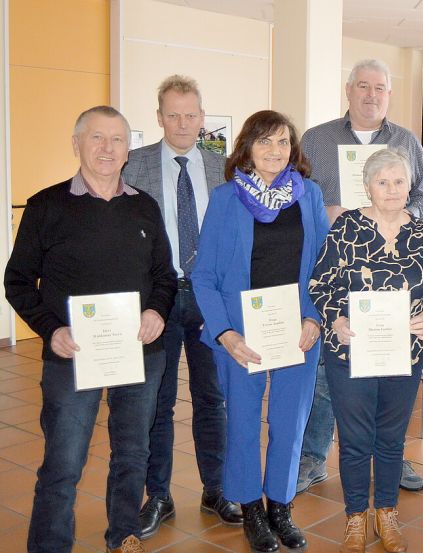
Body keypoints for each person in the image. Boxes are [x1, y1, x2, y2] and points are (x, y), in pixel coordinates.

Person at [5, 106, 177, 553]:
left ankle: (124, 536)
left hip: (140, 353)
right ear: (76, 144)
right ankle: (50, 545)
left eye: (117, 140)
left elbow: (164, 275)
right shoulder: (46, 205)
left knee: (132, 454)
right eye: (96, 138)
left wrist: (157, 312)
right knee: (63, 462)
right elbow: (18, 282)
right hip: (72, 354)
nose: (107, 148)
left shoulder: (143, 205)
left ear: (127, 150)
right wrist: (51, 330)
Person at [192, 110, 331, 552]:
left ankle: (281, 508)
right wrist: (224, 334)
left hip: (298, 330)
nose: (276, 151)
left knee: (290, 422)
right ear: (247, 148)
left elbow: (326, 267)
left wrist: (314, 318)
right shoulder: (225, 198)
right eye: (266, 142)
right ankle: (251, 508)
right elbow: (205, 275)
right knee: (245, 423)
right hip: (241, 335)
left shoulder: (308, 195)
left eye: (284, 142)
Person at [299, 58, 423, 493]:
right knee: (331, 373)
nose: (371, 94)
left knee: (392, 372)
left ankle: (389, 458)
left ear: (389, 94)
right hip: (339, 267)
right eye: (363, 86)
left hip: (396, 278)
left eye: (379, 87)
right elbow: (297, 195)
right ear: (348, 90)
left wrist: (394, 215)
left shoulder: (406, 141)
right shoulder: (316, 139)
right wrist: (324, 212)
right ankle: (314, 457)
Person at [309, 148, 423, 553]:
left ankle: (386, 511)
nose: (392, 189)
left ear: (410, 186)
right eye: (382, 182)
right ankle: (356, 515)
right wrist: (335, 319)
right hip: (350, 351)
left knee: (390, 438)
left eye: (399, 181)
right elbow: (321, 283)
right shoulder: (346, 227)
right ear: (367, 186)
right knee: (355, 438)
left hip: (404, 353)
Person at [122, 74, 242, 539]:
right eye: (172, 114)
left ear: (202, 118)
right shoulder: (135, 166)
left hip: (212, 298)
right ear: (158, 118)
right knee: (159, 400)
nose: (182, 122)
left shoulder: (225, 168)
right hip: (159, 297)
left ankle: (216, 490)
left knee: (214, 398)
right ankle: (160, 496)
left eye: (191, 114)